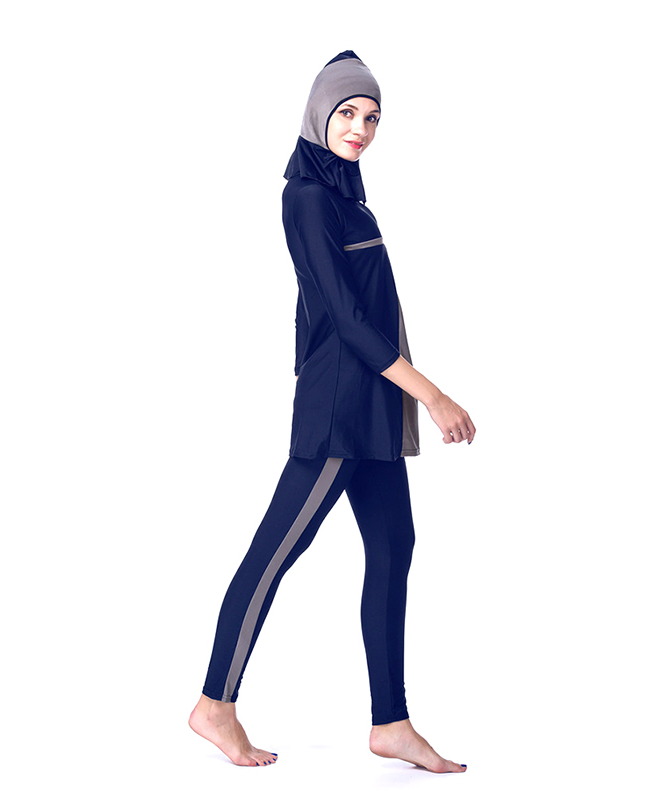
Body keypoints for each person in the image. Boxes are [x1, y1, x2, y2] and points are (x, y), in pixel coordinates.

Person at [189, 51, 474, 773]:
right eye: (347, 113)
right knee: (275, 552)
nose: (360, 128)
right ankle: (215, 704)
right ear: (320, 113)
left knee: (394, 546)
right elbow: (346, 319)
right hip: (340, 407)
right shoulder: (308, 198)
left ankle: (391, 722)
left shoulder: (352, 202)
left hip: (373, 406)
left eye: (372, 117)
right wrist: (431, 393)